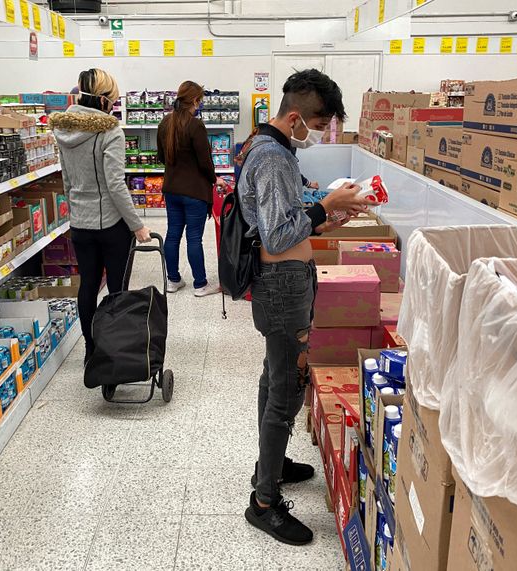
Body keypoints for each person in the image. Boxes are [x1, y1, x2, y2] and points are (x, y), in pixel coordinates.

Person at [239, 69, 373, 545]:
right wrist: (322, 210)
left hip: (284, 281)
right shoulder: (274, 157)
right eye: (319, 125)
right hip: (281, 285)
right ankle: (264, 503)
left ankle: (267, 465)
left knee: (273, 378)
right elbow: (277, 234)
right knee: (287, 390)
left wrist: (328, 204)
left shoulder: (275, 149)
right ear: (295, 118)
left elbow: (287, 213)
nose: (321, 135)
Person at [49, 68, 152, 365]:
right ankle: (115, 351)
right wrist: (138, 226)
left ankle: (91, 349)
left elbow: (67, 180)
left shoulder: (63, 131)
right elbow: (116, 185)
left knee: (89, 285)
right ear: (105, 100)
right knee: (118, 289)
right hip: (110, 226)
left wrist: (76, 210)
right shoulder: (110, 132)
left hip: (80, 224)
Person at [157, 81, 224, 297]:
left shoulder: (165, 123)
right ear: (195, 100)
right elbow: (205, 162)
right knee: (194, 237)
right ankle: (200, 285)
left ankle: (173, 280)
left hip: (171, 189)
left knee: (173, 233)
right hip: (194, 191)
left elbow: (161, 157)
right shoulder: (195, 125)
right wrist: (216, 180)